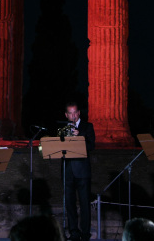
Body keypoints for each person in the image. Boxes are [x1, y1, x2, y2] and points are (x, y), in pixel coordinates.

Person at [62, 102, 96, 241]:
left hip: (82, 171)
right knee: (70, 204)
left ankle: (85, 233)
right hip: (68, 170)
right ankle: (74, 233)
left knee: (84, 204)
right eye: (70, 113)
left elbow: (91, 145)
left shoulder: (87, 126)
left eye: (75, 113)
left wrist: (78, 136)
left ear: (79, 113)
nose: (73, 116)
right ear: (66, 115)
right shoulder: (64, 128)